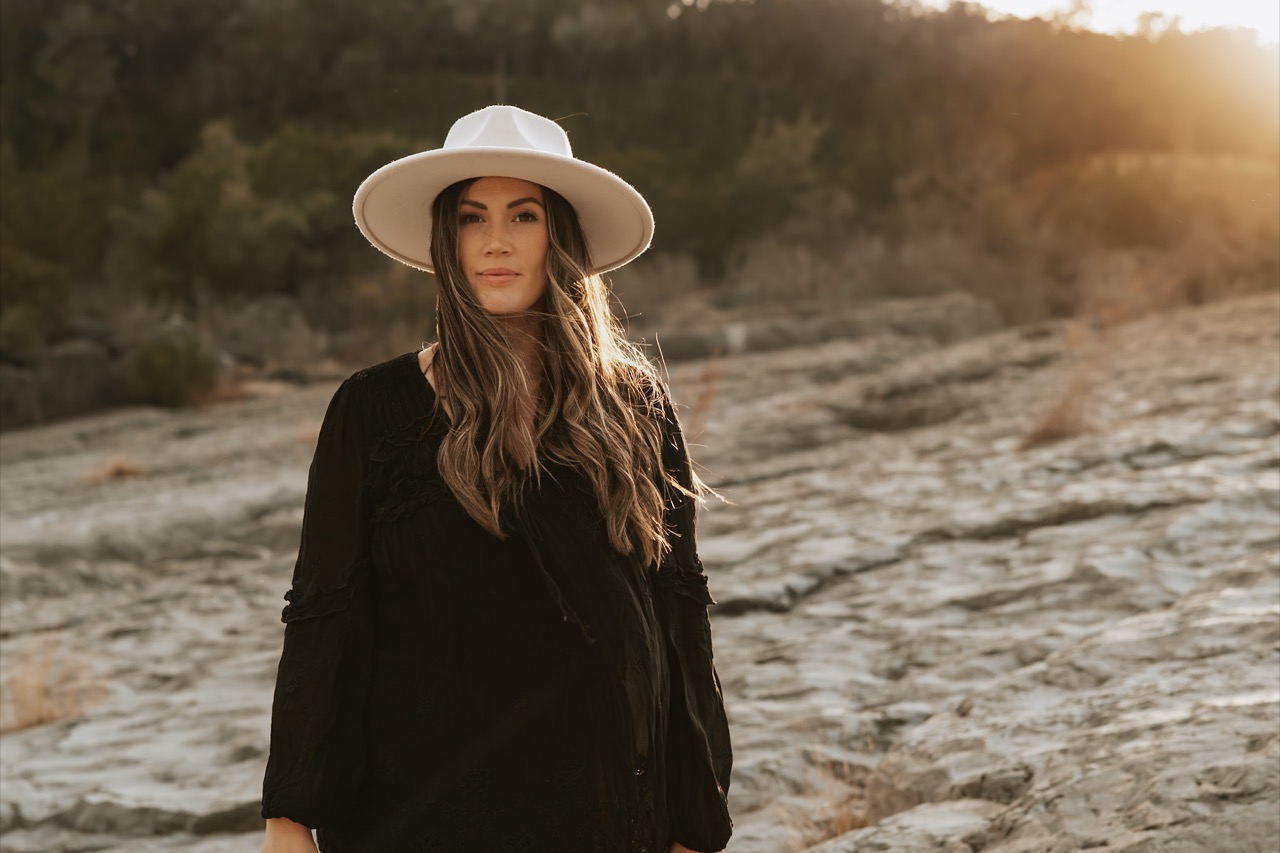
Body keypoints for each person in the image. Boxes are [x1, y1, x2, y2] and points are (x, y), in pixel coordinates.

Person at [260, 105, 733, 853]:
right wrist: (289, 819)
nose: (497, 241)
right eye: (473, 218)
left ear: (561, 237)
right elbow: (328, 617)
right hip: (419, 818)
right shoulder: (370, 411)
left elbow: (676, 613)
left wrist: (697, 827)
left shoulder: (633, 404)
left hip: (606, 816)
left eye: (524, 215)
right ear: (447, 240)